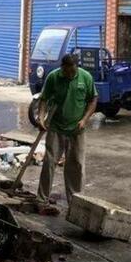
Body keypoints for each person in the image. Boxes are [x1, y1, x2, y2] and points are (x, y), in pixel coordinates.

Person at [37, 54, 98, 206]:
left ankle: (75, 203)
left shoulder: (86, 77)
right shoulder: (53, 77)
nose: (69, 74)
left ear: (77, 67)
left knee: (76, 166)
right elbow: (44, 99)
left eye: (72, 71)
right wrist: (41, 117)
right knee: (49, 163)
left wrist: (85, 120)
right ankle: (42, 199)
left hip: (77, 129)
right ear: (62, 68)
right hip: (56, 127)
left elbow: (93, 100)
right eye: (66, 71)